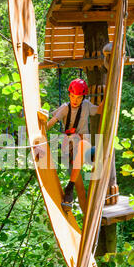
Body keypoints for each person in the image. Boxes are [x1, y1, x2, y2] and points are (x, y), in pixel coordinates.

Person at [38, 78, 104, 209]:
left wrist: (108, 94)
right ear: (69, 95)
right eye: (73, 96)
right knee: (75, 143)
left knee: (87, 145)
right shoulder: (64, 108)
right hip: (69, 149)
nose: (75, 100)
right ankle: (70, 191)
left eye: (79, 98)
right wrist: (41, 121)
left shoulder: (86, 105)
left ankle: (70, 187)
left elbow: (100, 110)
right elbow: (49, 125)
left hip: (84, 149)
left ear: (83, 98)